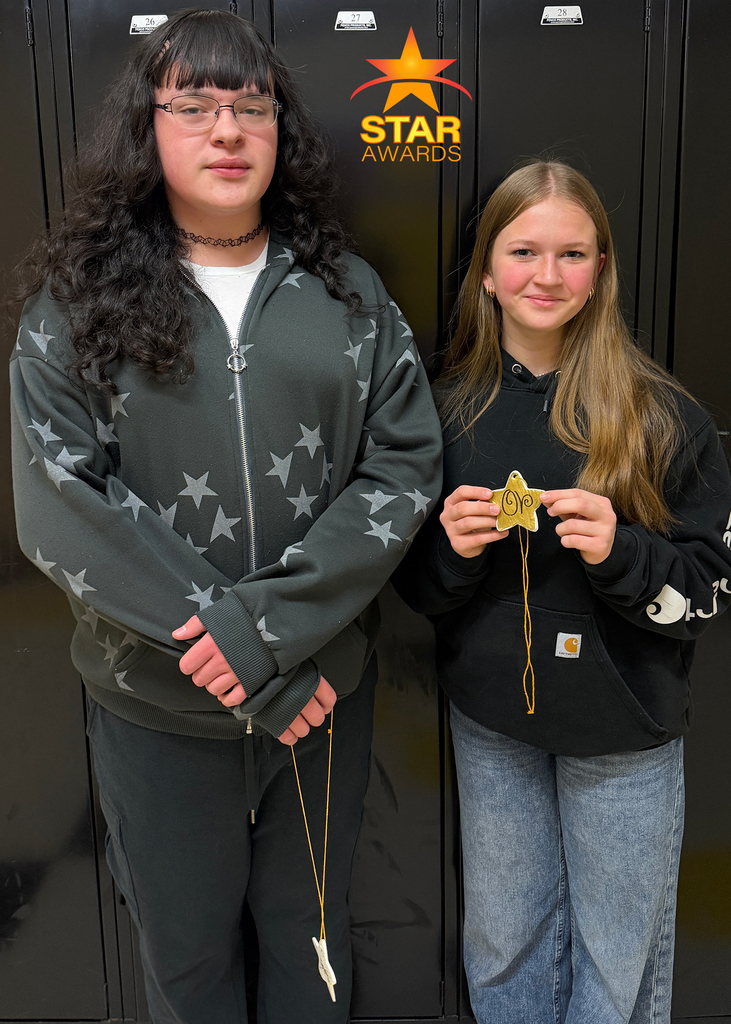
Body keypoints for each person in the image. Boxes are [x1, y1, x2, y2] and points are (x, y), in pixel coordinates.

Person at [9, 9, 442, 1023]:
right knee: (189, 969)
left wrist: (271, 636)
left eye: (251, 106)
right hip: (154, 708)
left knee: (314, 955)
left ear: (279, 131)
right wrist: (241, 652)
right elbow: (58, 503)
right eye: (195, 105)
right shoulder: (73, 308)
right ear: (146, 129)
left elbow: (406, 466)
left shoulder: (350, 298)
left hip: (318, 705)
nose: (227, 129)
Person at [394, 161, 731, 1024]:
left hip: (624, 734)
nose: (546, 276)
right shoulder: (440, 414)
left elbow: (702, 596)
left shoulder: (662, 418)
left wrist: (621, 552)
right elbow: (420, 597)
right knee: (503, 948)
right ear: (485, 271)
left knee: (616, 963)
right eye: (523, 251)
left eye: (572, 253)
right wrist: (455, 549)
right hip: (493, 727)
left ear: (602, 270)